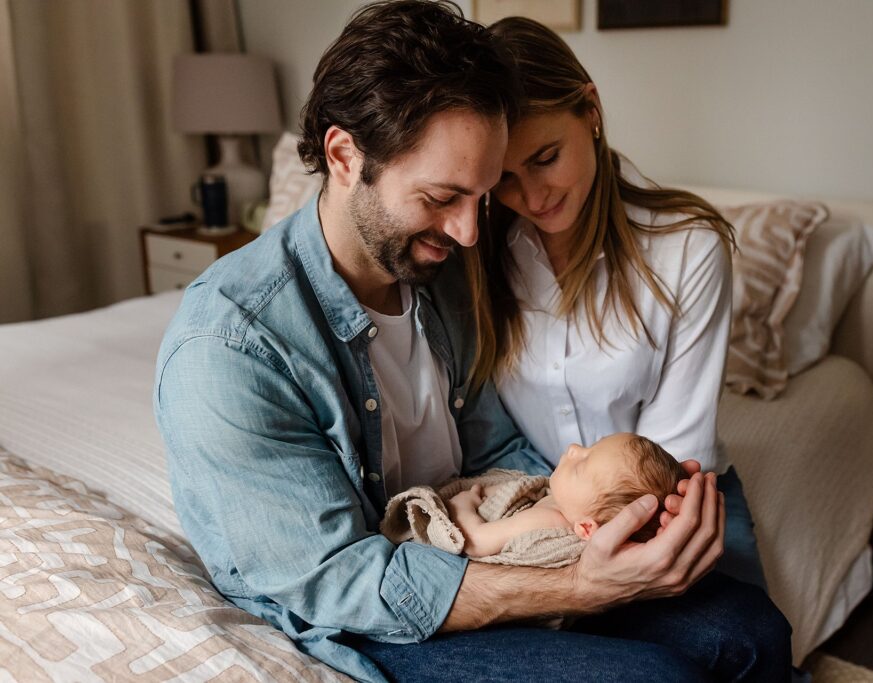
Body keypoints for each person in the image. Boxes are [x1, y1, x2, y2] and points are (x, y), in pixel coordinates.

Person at [154, 2, 789, 681]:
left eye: (479, 198)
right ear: (344, 156)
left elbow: (496, 448)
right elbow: (340, 581)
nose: (467, 233)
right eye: (441, 197)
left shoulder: (438, 274)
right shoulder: (229, 348)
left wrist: (573, 532)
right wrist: (581, 586)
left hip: (493, 552)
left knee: (750, 632)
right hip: (385, 613)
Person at [472, 16, 769, 591]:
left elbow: (672, 460)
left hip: (664, 505)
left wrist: (597, 559)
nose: (531, 197)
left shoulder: (688, 249)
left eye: (546, 157)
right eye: (504, 178)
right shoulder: (481, 250)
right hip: (539, 506)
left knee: (742, 648)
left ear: (591, 110)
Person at [450, 433, 680, 558]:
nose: (574, 448)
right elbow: (521, 491)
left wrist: (463, 506)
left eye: (581, 465)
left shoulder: (547, 522)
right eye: (591, 446)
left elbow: (475, 542)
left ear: (587, 528)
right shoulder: (566, 503)